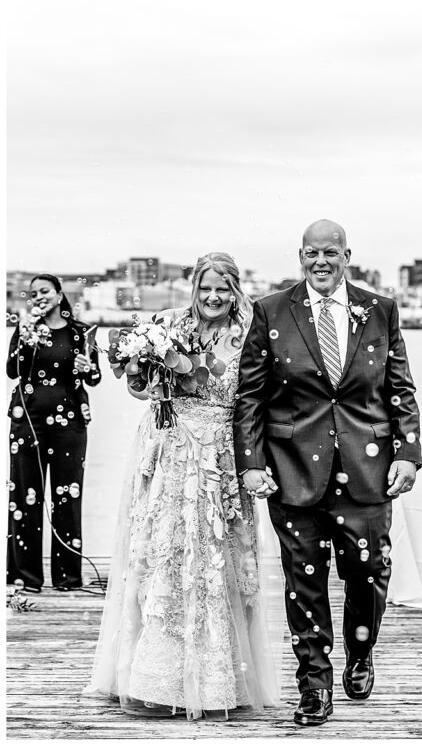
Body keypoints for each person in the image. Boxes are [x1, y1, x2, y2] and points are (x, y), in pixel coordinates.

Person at [234, 219, 421, 727]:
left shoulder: (379, 309)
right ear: (300, 256)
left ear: (347, 255)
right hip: (293, 470)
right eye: (312, 253)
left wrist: (407, 452)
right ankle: (314, 685)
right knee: (304, 580)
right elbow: (250, 397)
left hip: (368, 468)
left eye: (331, 252)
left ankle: (361, 652)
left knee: (367, 572)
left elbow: (400, 388)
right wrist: (250, 465)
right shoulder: (270, 311)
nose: (321, 261)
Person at [87, 253, 279, 719]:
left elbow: (260, 398)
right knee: (162, 557)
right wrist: (139, 372)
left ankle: (219, 680)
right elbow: (141, 392)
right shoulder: (168, 324)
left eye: (223, 288)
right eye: (205, 287)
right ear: (193, 287)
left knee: (220, 561)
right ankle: (152, 674)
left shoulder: (249, 333)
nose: (213, 297)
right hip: (167, 452)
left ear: (236, 289)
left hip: (220, 456)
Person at [7, 274, 102, 592]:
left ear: (60, 295)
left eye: (44, 291)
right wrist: (26, 338)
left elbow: (95, 377)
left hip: (70, 424)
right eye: (33, 293)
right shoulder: (26, 329)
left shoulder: (78, 333)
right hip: (27, 421)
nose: (38, 296)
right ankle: (25, 577)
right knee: (24, 498)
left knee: (67, 497)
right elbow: (12, 370)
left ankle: (67, 577)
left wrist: (86, 367)